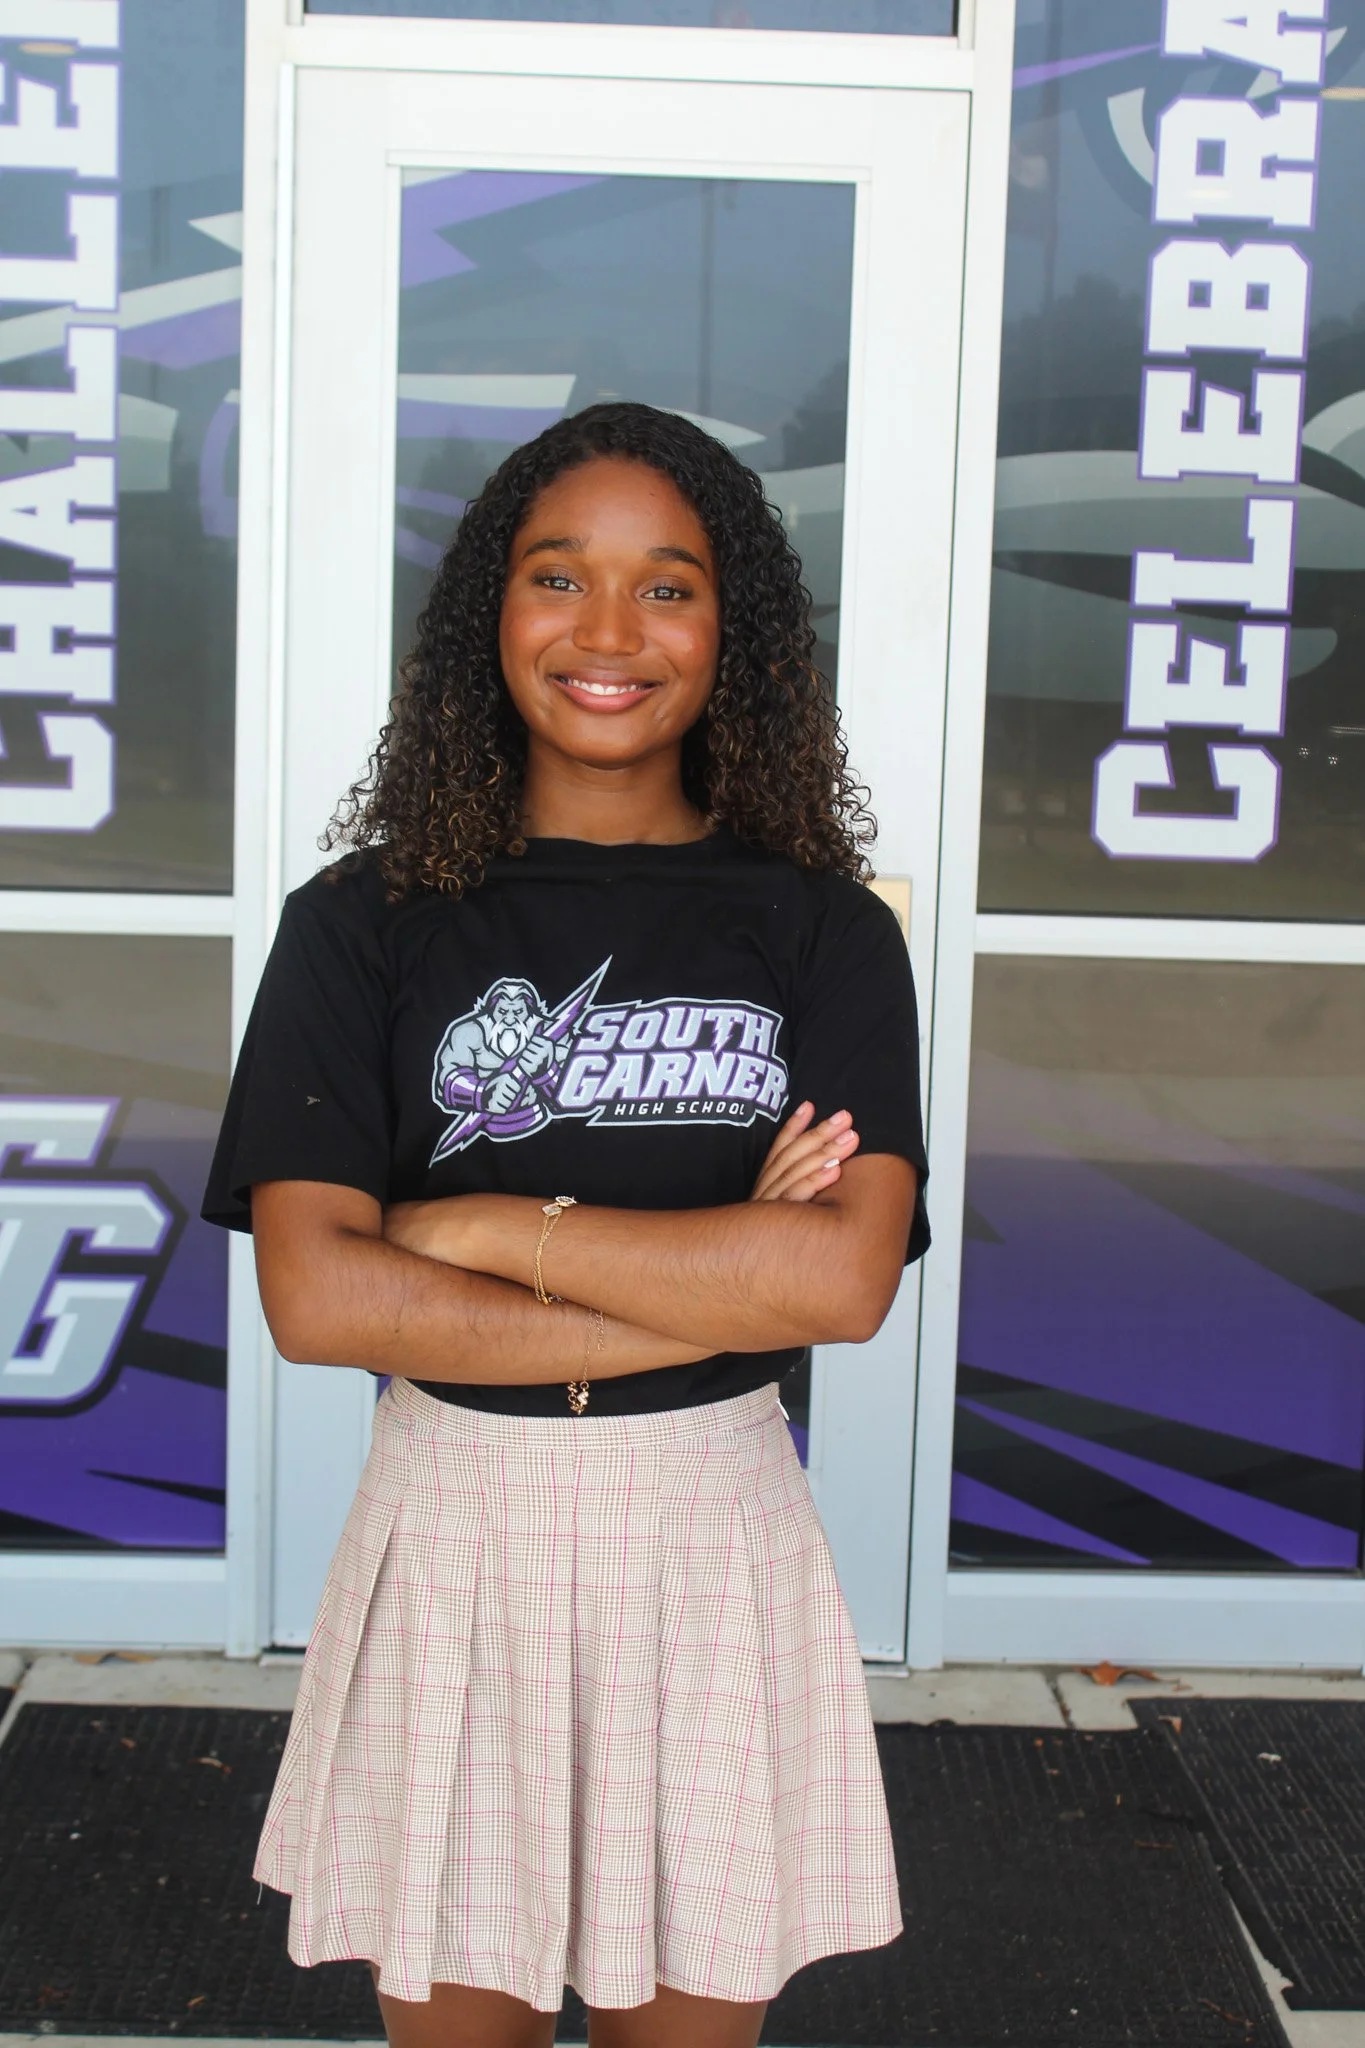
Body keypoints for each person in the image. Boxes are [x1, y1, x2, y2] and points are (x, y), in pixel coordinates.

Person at [203, 402, 929, 2048]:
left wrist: (464, 1227)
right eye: (559, 577)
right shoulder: (362, 923)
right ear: (491, 613)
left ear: (731, 633)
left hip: (710, 1538)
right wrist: (726, 1275)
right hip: (456, 1533)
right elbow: (320, 1303)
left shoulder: (823, 930)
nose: (610, 634)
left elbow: (843, 1277)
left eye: (668, 587)